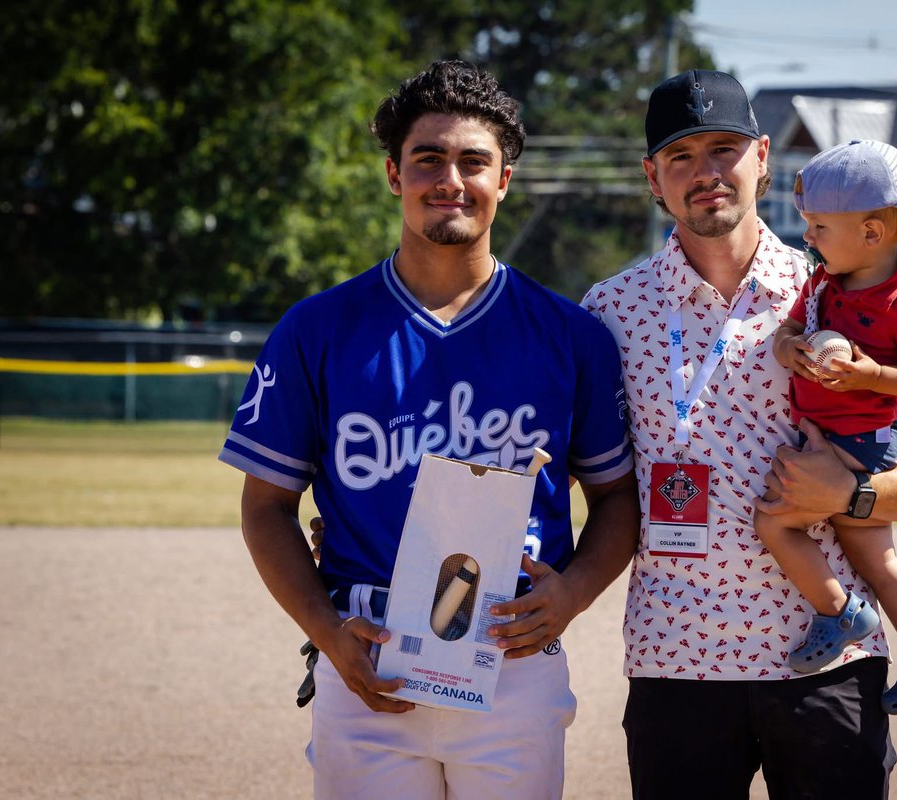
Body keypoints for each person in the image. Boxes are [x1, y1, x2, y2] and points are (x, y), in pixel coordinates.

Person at [219, 60, 639, 800]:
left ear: (503, 180)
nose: (451, 178)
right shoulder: (316, 329)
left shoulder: (573, 335)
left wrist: (571, 594)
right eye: (428, 159)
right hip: (368, 653)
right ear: (393, 175)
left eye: (474, 161)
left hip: (512, 657)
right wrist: (325, 633)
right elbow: (264, 506)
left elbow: (618, 499)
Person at [581, 69, 897, 799]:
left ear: (763, 156)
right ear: (651, 177)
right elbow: (573, 476)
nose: (706, 173)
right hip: (676, 661)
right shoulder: (607, 310)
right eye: (681, 156)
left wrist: (854, 494)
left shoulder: (835, 288)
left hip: (826, 664)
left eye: (723, 148)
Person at [752, 139, 897, 713]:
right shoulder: (824, 281)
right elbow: (789, 331)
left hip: (865, 440)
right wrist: (792, 350)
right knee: (876, 556)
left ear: (871, 234)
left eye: (820, 227)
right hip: (834, 431)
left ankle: (840, 613)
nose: (809, 238)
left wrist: (872, 374)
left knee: (776, 522)